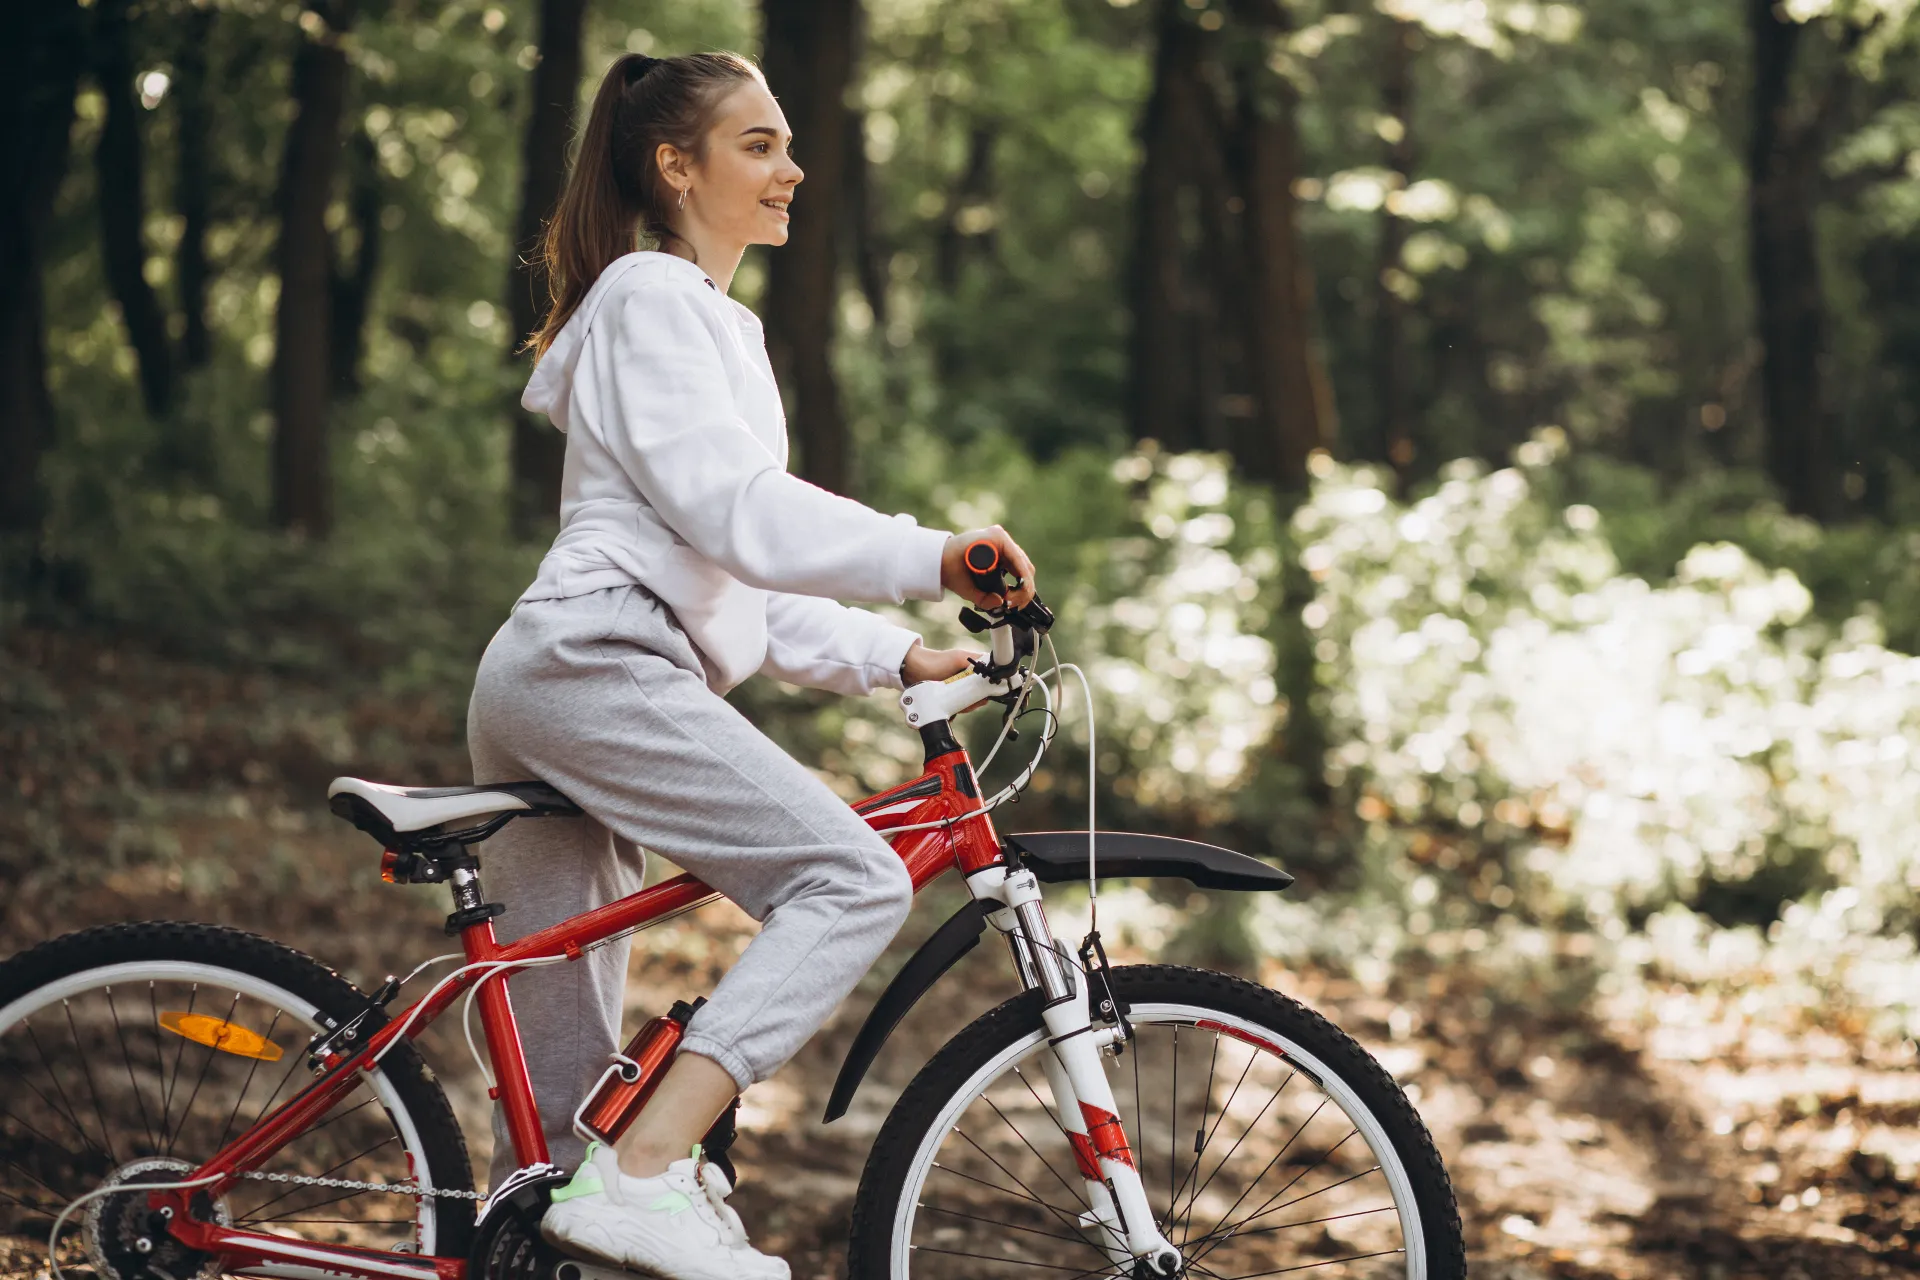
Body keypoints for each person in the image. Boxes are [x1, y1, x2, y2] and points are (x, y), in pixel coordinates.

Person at [465, 50, 1038, 1280]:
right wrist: (935, 552)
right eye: (758, 144)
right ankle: (654, 1164)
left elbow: (742, 582)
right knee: (849, 877)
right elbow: (745, 516)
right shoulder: (649, 299)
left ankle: (602, 1186)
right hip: (594, 664)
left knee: (566, 1141)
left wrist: (899, 654)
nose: (792, 168)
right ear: (676, 167)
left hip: (587, 667)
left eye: (786, 143)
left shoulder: (702, 320)